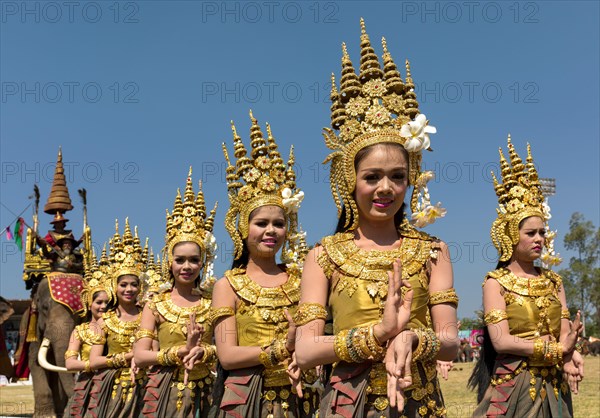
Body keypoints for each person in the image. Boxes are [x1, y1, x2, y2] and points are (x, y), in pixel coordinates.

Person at [294, 19, 459, 417]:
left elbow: (450, 339)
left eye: (397, 177)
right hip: (348, 403)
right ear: (349, 181)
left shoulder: (433, 250)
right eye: (372, 177)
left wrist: (412, 340)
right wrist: (380, 334)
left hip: (419, 404)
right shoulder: (324, 255)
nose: (385, 188)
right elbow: (306, 347)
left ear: (411, 181)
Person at [210, 112, 317, 417]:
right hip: (249, 399)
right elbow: (228, 356)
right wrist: (282, 350)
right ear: (243, 229)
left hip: (301, 396)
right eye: (261, 223)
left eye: (278, 223)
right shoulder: (227, 285)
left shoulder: (302, 279)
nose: (271, 231)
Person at [469, 137, 584, 417]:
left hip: (555, 386)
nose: (539, 239)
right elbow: (502, 342)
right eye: (530, 233)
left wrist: (570, 355)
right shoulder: (496, 281)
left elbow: (565, 334)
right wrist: (556, 350)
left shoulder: (554, 282)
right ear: (511, 235)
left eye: (542, 233)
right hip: (514, 387)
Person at [133, 169, 219, 417]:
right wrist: (177, 352)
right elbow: (140, 355)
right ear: (169, 262)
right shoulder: (155, 305)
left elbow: (224, 348)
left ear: (202, 263)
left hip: (206, 391)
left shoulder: (211, 303)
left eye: (194, 260)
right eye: (180, 260)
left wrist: (204, 350)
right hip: (163, 392)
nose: (187, 266)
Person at [88, 219, 146, 418]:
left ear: (141, 287)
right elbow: (94, 361)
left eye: (133, 284)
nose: (129, 289)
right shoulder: (105, 321)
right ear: (115, 287)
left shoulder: (149, 317)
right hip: (112, 388)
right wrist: (129, 357)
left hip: (145, 388)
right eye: (123, 284)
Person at [64, 254, 110, 417]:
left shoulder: (117, 327)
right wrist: (94, 364)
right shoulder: (80, 331)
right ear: (89, 304)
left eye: (107, 302)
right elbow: (70, 364)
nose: (103, 306)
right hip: (87, 386)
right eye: (99, 302)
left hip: (114, 383)